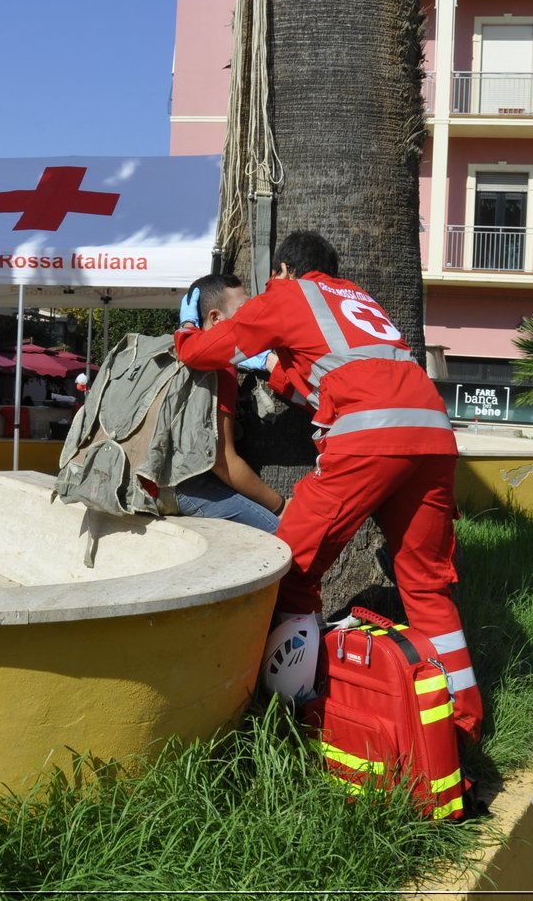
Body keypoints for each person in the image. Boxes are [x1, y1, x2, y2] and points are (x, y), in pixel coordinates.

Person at [174, 232, 482, 742]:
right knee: (426, 586)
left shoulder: (290, 294)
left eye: (271, 280)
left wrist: (188, 325)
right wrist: (273, 368)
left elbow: (203, 352)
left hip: (369, 440)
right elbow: (332, 372)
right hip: (431, 435)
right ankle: (459, 726)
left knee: (291, 570)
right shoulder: (359, 301)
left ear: (284, 271)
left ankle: (295, 713)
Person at [171, 273, 284, 532]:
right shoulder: (221, 369)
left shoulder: (175, 349)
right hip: (182, 485)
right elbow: (224, 461)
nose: (252, 315)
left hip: (152, 478)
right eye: (244, 310)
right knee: (278, 534)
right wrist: (279, 506)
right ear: (215, 317)